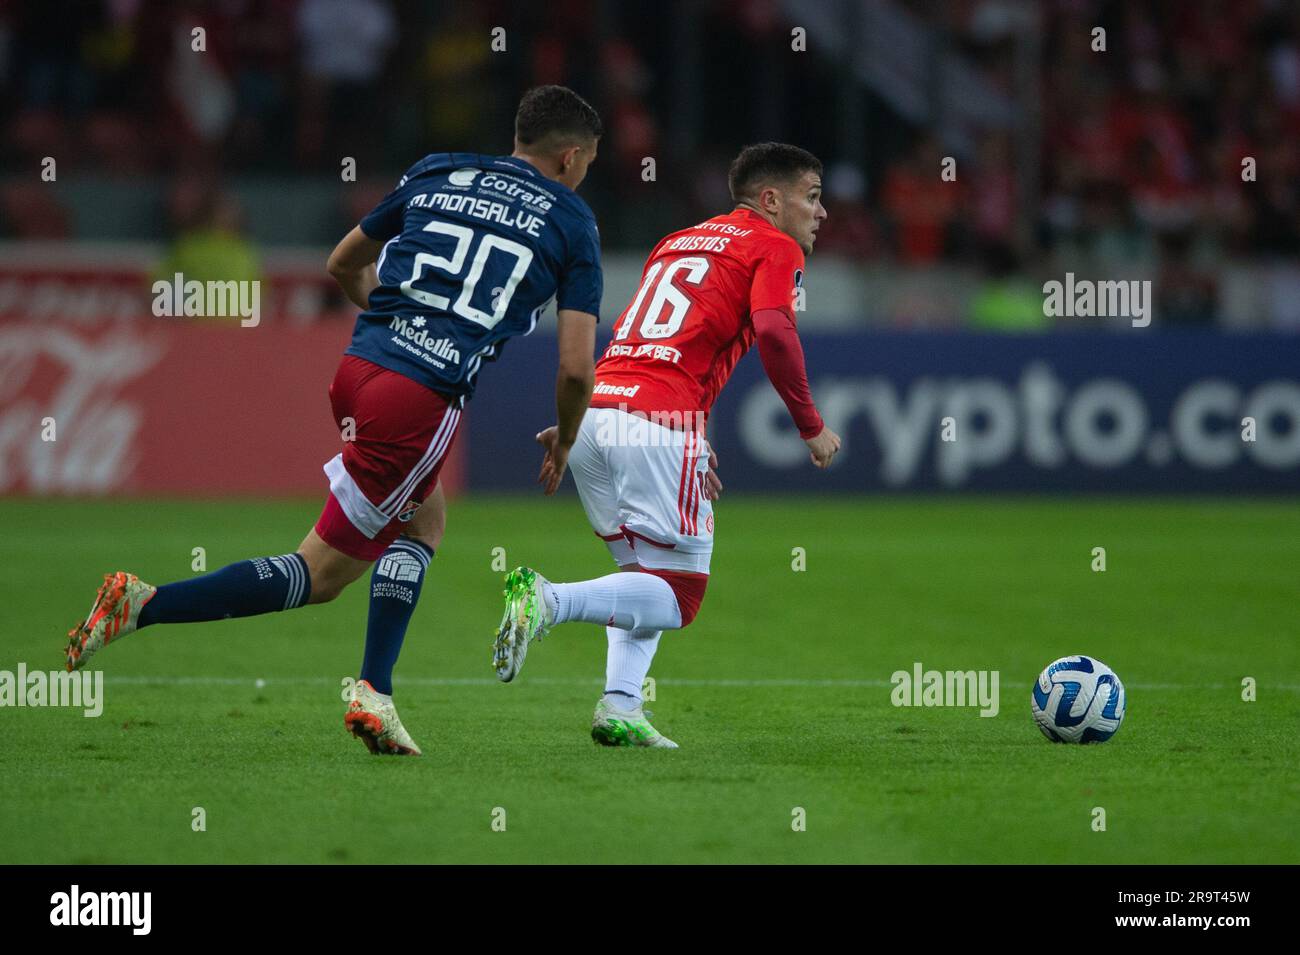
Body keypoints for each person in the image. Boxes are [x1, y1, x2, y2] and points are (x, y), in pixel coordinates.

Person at [65, 86, 605, 756]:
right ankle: (143, 604)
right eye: (586, 166)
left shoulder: (439, 169)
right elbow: (578, 368)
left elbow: (342, 263)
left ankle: (377, 690)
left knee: (425, 517)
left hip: (356, 374)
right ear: (573, 156)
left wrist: (394, 330)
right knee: (318, 575)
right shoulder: (573, 220)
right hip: (420, 399)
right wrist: (568, 434)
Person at [492, 142, 842, 748]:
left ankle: (621, 705)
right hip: (656, 421)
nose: (822, 212)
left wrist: (584, 423)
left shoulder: (678, 240)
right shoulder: (775, 246)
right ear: (770, 200)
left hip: (601, 416)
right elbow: (774, 331)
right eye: (811, 197)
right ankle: (546, 600)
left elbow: (651, 338)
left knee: (642, 576)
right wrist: (810, 424)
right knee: (679, 595)